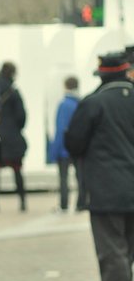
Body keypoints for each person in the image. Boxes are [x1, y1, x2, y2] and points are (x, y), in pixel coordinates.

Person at [65, 52, 134, 281]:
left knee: (111, 251)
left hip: (106, 189)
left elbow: (75, 143)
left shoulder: (94, 103)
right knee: (127, 249)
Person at [0, 61, 28, 212]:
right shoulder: (13, 91)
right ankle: (22, 201)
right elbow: (22, 116)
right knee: (17, 170)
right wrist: (15, 128)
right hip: (12, 136)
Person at [51, 76, 84, 213]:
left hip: (64, 149)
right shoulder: (82, 103)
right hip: (78, 148)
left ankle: (64, 205)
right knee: (80, 178)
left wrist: (54, 151)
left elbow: (60, 129)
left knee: (63, 179)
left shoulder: (63, 104)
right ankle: (80, 204)